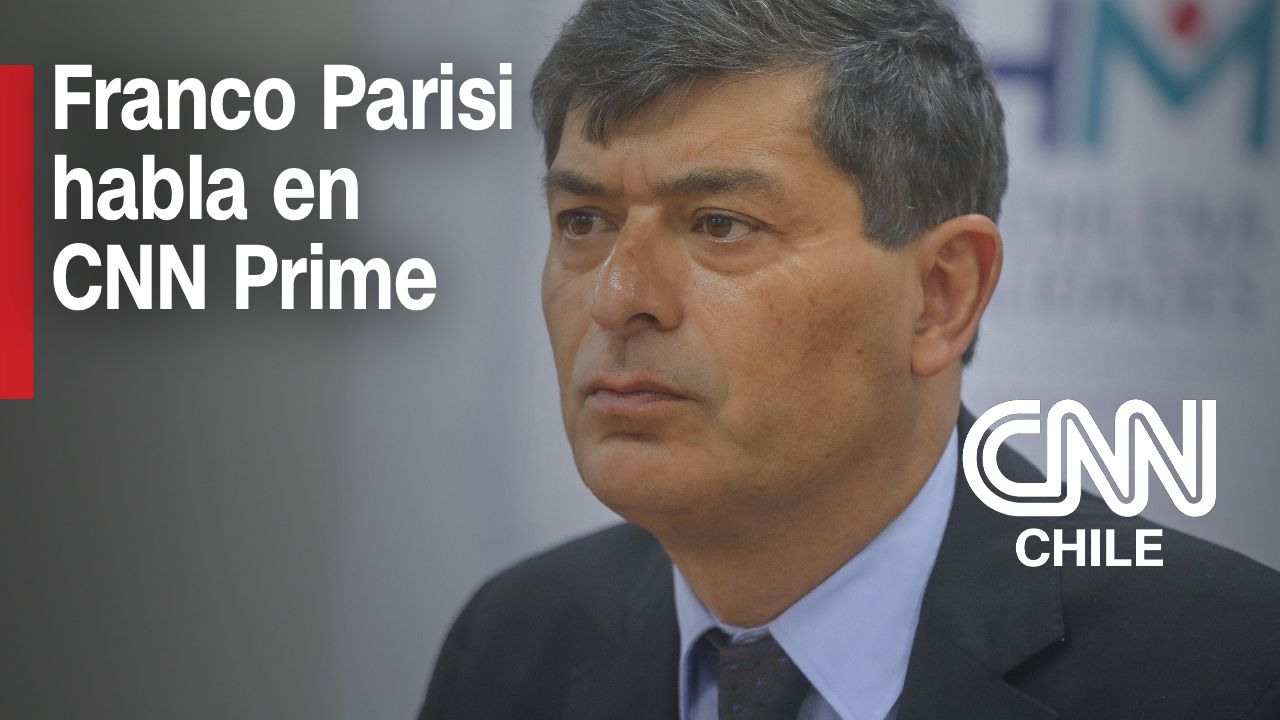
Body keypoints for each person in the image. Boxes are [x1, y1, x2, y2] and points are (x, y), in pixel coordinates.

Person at [419, 1, 1280, 718]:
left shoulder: (1227, 668)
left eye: (720, 224)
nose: (616, 298)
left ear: (941, 295)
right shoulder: (514, 644)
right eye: (583, 222)